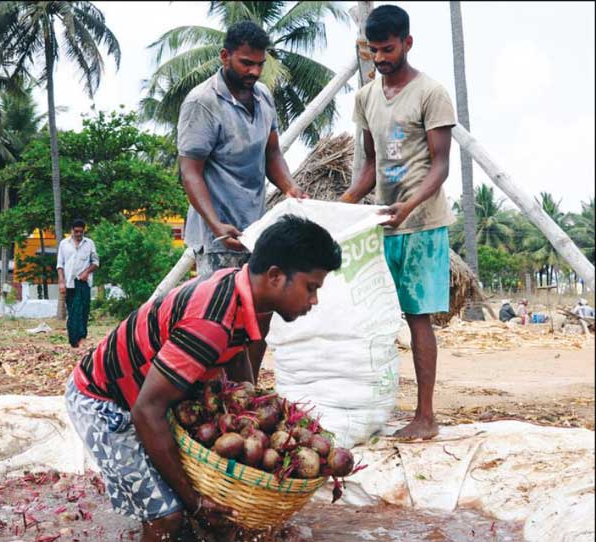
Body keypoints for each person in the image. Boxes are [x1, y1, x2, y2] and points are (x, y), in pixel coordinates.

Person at [64, 215, 342, 542]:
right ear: (275, 276)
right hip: (103, 402)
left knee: (206, 514)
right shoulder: (210, 321)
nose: (314, 300)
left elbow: (237, 360)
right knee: (168, 518)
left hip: (146, 394)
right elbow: (145, 411)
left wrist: (255, 417)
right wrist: (194, 502)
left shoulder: (242, 292)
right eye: (311, 288)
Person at [339, 5, 457, 440]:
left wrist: (408, 206)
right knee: (374, 320)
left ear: (407, 43)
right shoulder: (366, 97)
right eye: (373, 51)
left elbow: (440, 166)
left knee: (417, 318)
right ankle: (374, 407)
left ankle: (425, 416)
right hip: (381, 223)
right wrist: (347, 201)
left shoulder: (431, 93)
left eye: (387, 49)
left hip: (422, 224)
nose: (380, 58)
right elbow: (370, 165)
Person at [177, 20, 308, 383]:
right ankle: (216, 396)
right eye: (245, 63)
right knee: (220, 322)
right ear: (225, 56)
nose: (252, 71)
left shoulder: (264, 96)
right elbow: (191, 172)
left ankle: (245, 392)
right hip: (219, 233)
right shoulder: (203, 103)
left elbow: (272, 153)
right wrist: (216, 224)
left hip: (256, 229)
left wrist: (290, 188)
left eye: (258, 65)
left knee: (259, 318)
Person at [57, 219, 99, 348]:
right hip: (69, 282)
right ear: (72, 231)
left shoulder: (89, 243)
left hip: (83, 282)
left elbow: (96, 262)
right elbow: (60, 265)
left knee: (83, 310)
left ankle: (81, 338)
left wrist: (87, 272)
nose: (78, 234)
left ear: (84, 231)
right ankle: (73, 340)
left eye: (81, 231)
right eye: (76, 231)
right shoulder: (64, 244)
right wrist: (61, 282)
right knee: (73, 311)